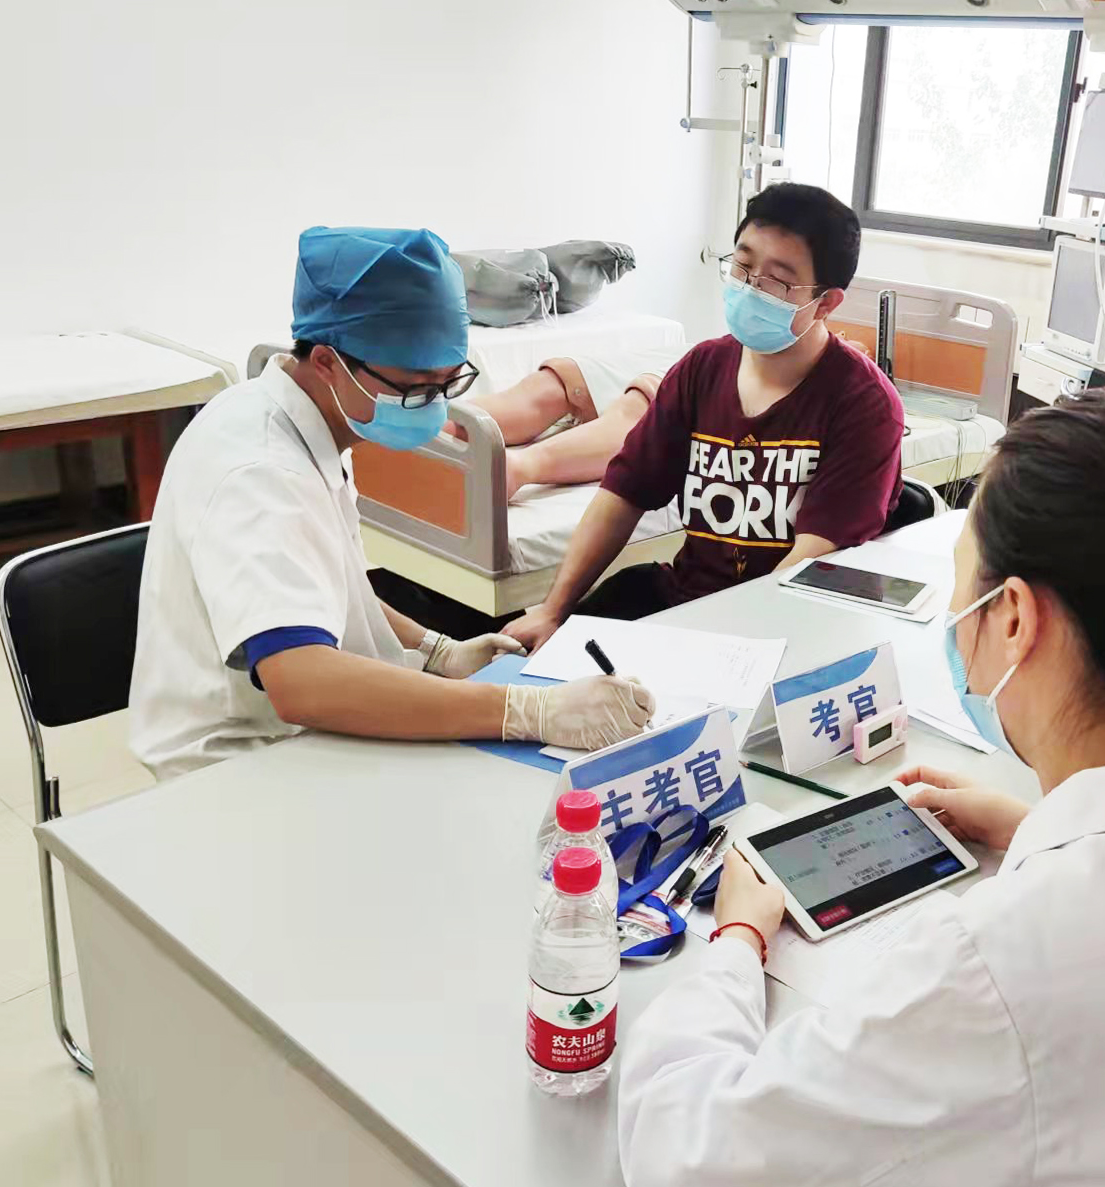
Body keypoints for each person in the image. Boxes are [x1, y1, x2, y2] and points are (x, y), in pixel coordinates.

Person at [618, 393, 1105, 1187]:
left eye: (964, 587)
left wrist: (737, 942)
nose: (956, 618)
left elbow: (691, 1155)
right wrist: (1036, 828)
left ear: (1014, 620)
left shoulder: (1004, 963)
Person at [129, 226, 653, 780]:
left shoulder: (321, 421)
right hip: (238, 763)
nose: (432, 408)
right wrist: (529, 712)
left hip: (299, 728)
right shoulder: (260, 473)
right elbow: (301, 683)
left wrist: (436, 650)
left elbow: (322, 587)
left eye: (448, 384)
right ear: (327, 361)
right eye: (414, 387)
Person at [507, 183, 903, 650]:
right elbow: (624, 493)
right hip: (684, 602)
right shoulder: (703, 368)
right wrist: (553, 611)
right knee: (548, 658)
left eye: (777, 281)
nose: (750, 287)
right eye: (742, 265)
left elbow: (810, 557)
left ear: (827, 303)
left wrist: (727, 655)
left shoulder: (863, 403)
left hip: (783, 628)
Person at [450, 345, 687, 499]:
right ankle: (442, 425)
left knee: (643, 410)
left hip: (696, 363)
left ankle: (514, 469)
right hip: (683, 351)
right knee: (561, 384)